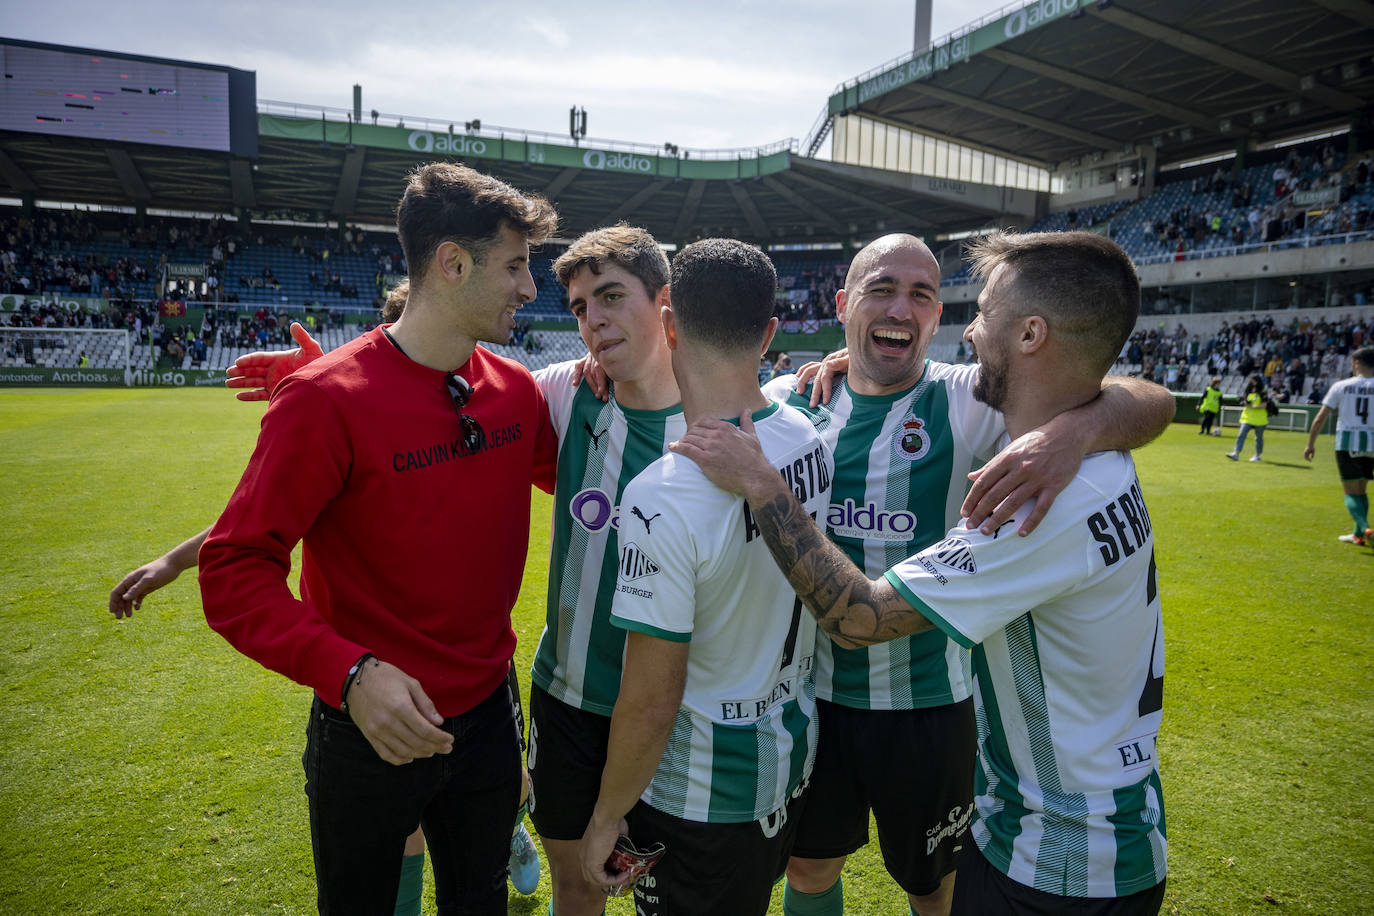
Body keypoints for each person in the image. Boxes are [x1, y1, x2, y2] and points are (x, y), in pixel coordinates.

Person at [674, 230, 1168, 916]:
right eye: (881, 291)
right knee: (809, 869)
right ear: (844, 304)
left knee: (933, 886)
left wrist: (1073, 432)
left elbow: (1147, 396)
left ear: (937, 318)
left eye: (923, 296)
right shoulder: (791, 398)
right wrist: (609, 366)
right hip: (814, 695)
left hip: (929, 706)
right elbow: (691, 393)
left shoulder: (972, 400)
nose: (902, 309)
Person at [198, 162, 559, 914]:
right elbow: (234, 567)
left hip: (490, 716)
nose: (531, 289)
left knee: (480, 902)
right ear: (452, 263)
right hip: (366, 727)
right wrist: (350, 674)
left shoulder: (517, 394)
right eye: (517, 266)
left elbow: (603, 480)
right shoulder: (324, 403)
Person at [578, 238, 832, 914]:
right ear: (770, 333)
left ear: (668, 324)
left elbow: (652, 698)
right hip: (789, 758)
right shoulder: (809, 442)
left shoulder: (663, 493)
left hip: (700, 793)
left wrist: (606, 816)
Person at [1303, 346, 1374, 546]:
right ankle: (1358, 534)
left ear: (1357, 363)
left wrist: (1310, 444)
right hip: (1371, 442)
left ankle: (1366, 528)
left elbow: (1320, 418)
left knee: (1350, 492)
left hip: (1348, 441)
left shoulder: (1341, 386)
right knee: (1361, 489)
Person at [1226, 374, 1268, 461]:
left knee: (1258, 438)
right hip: (1247, 418)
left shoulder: (1262, 391)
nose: (1251, 382)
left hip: (1259, 419)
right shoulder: (1248, 390)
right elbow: (1245, 400)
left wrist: (1252, 406)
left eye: (1252, 380)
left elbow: (1264, 405)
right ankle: (1236, 453)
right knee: (1241, 434)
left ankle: (1257, 455)